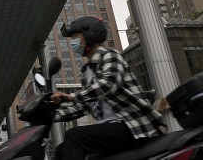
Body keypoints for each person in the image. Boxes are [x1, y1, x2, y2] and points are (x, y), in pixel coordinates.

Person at [49, 16, 166, 160]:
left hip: (131, 126)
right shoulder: (87, 71)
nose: (73, 43)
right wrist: (52, 116)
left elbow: (108, 84)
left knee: (74, 136)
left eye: (75, 37)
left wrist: (72, 97)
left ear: (89, 34)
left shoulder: (110, 56)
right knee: (62, 149)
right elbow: (84, 107)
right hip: (111, 130)